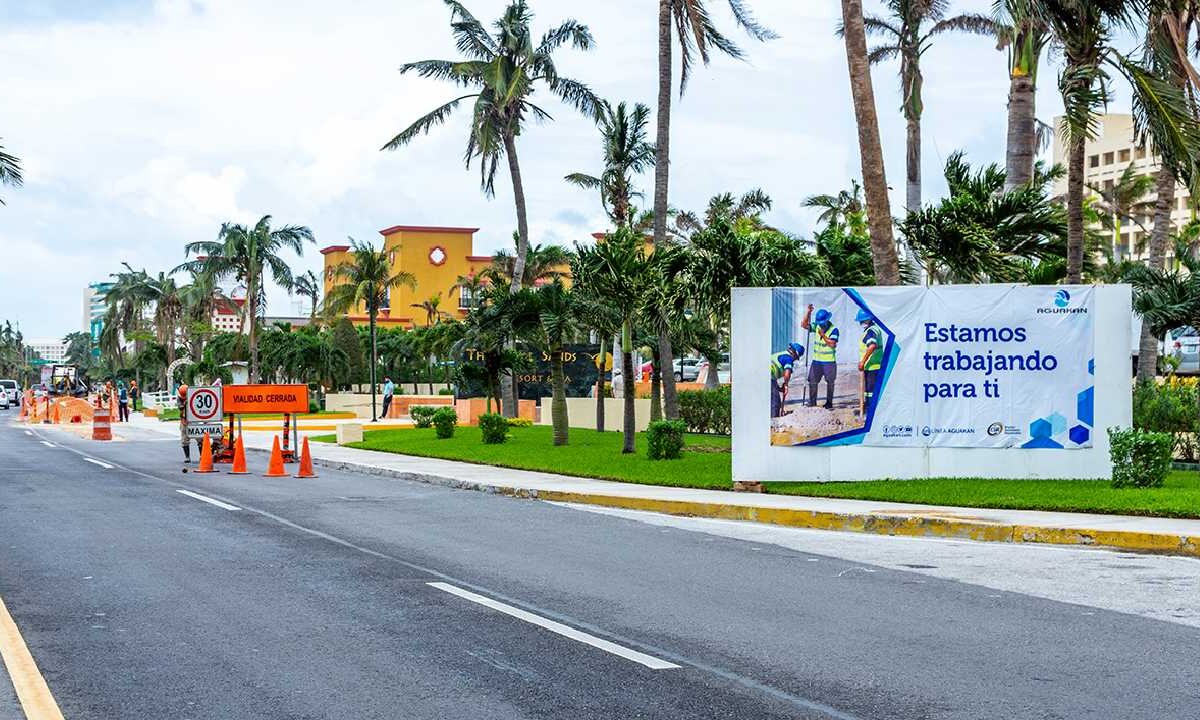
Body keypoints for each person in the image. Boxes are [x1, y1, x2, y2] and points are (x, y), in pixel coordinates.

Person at [801, 304, 839, 409]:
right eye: (819, 323)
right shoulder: (817, 326)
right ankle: (812, 402)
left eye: (822, 323)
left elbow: (832, 344)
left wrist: (823, 335)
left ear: (827, 320)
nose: (821, 325)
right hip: (816, 361)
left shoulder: (833, 329)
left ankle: (829, 402)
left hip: (829, 361)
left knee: (830, 382)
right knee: (812, 381)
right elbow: (804, 325)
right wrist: (808, 312)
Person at [857, 309, 884, 414]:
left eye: (862, 321)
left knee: (870, 393)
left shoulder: (870, 332)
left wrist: (863, 362)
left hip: (872, 366)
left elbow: (872, 346)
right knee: (872, 392)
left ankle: (870, 415)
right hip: (876, 365)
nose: (860, 323)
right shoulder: (876, 329)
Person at [770, 343, 805, 418]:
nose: (795, 360)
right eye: (796, 357)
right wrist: (786, 385)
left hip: (767, 376)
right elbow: (787, 373)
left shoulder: (782, 354)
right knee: (775, 402)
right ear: (794, 353)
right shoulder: (788, 358)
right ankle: (773, 421)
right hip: (768, 377)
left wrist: (779, 388)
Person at [177, 383, 192, 462]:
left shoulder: (194, 397)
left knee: (200, 439)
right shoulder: (179, 398)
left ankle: (202, 456)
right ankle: (187, 457)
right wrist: (184, 403)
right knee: (184, 439)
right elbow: (180, 407)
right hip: (184, 420)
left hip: (194, 420)